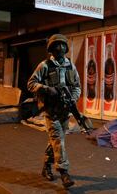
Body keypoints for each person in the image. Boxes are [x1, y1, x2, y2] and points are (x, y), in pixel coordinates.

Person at [27, 33, 81, 189]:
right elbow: (31, 84)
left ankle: (46, 166)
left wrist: (74, 98)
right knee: (59, 140)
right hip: (51, 110)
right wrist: (46, 89)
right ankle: (64, 173)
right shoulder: (44, 66)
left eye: (63, 45)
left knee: (56, 140)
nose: (60, 48)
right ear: (51, 49)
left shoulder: (71, 65)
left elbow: (77, 86)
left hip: (65, 111)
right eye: (57, 45)